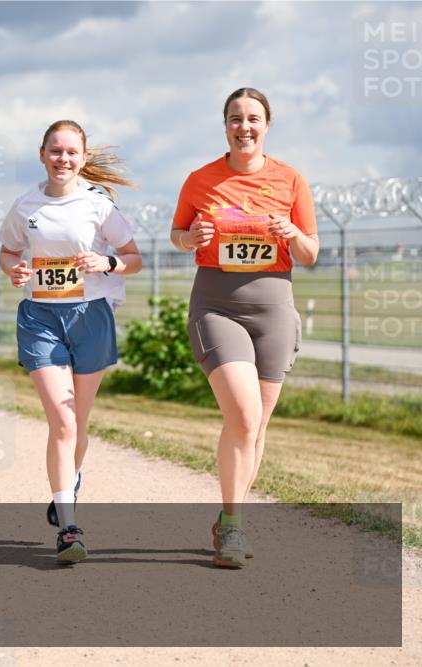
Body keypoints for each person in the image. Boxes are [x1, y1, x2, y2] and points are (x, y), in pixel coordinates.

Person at [170, 88, 319, 569]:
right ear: (226, 126)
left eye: (253, 119)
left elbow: (311, 253)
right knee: (244, 417)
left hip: (274, 309)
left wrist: (292, 234)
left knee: (257, 428)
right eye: (236, 119)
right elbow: (178, 235)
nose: (244, 127)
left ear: (267, 125)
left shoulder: (291, 179)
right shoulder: (201, 180)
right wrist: (191, 237)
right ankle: (232, 528)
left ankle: (229, 518)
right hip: (217, 306)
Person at [0, 120, 142, 563]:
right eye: (55, 151)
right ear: (42, 155)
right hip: (41, 317)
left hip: (91, 317)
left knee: (77, 423)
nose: (63, 159)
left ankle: (68, 486)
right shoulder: (26, 207)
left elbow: (134, 259)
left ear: (83, 158)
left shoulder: (98, 207)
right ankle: (69, 528)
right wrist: (15, 270)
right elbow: (8, 252)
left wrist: (108, 261)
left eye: (71, 152)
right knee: (61, 421)